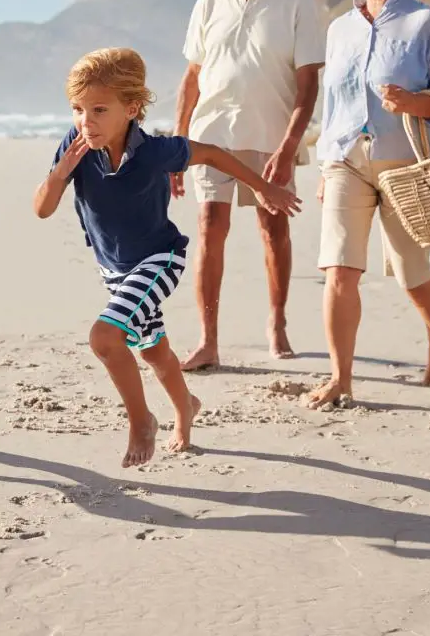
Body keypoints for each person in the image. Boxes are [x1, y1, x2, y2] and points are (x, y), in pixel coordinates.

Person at [34, 48, 301, 468]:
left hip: (160, 259)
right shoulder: (77, 145)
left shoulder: (156, 151)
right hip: (114, 270)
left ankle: (142, 421)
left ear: (132, 108)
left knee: (105, 337)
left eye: (99, 109)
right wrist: (61, 170)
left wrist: (264, 188)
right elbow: (42, 208)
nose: (87, 120)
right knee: (154, 351)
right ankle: (186, 409)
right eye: (77, 109)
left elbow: (212, 153)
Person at [310, 0, 430, 409]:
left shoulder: (426, 23)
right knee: (339, 270)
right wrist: (323, 164)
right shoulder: (340, 30)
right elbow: (330, 105)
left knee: (410, 270)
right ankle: (341, 377)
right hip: (345, 162)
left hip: (406, 165)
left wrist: (414, 103)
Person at [173, 0, 325, 369]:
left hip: (270, 135)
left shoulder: (297, 1)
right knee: (209, 228)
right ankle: (208, 338)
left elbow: (308, 86)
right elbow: (192, 77)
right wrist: (177, 144)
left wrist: (288, 148)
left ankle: (277, 323)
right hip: (211, 135)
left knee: (272, 228)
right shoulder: (209, 0)